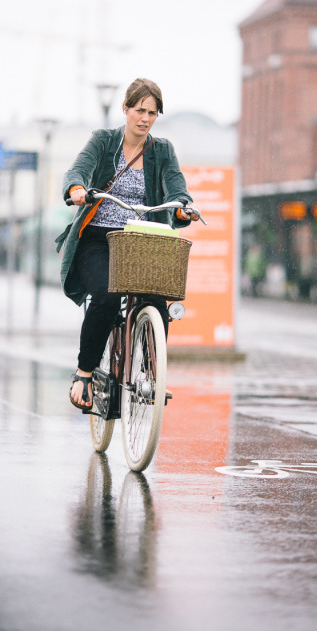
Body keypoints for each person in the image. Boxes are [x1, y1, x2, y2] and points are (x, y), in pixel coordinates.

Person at [56, 78, 198, 410]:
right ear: (125, 109)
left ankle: (151, 374)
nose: (145, 118)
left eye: (152, 112)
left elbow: (176, 184)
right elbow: (78, 169)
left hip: (141, 240)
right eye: (139, 110)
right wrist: (76, 188)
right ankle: (84, 373)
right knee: (106, 297)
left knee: (159, 298)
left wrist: (181, 205)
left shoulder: (162, 150)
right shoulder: (103, 141)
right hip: (98, 239)